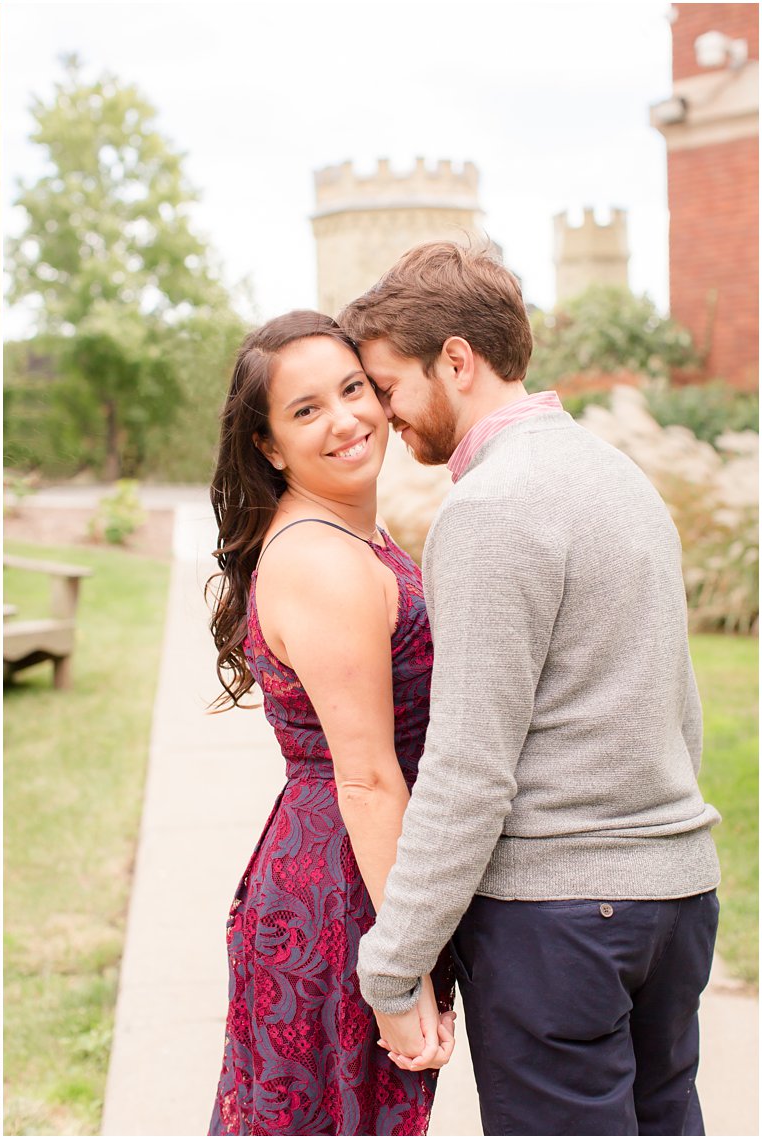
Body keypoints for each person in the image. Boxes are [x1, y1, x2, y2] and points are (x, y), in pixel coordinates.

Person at [343, 240, 721, 1135]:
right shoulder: (618, 477)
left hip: (561, 924)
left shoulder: (486, 512)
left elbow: (470, 767)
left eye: (390, 385)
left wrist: (392, 963)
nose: (388, 413)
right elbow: (681, 711)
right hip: (676, 902)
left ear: (458, 360)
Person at [206, 311, 456, 1136]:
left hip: (358, 875)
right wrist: (399, 973)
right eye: (306, 409)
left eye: (353, 390)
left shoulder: (355, 532)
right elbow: (368, 776)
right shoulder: (321, 558)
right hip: (343, 894)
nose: (346, 419)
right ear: (270, 446)